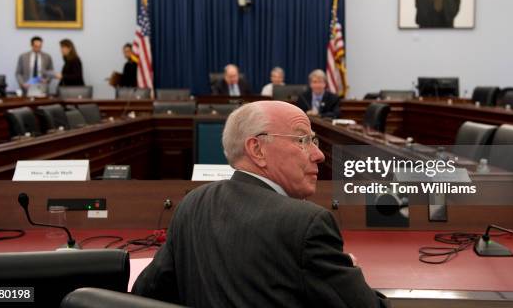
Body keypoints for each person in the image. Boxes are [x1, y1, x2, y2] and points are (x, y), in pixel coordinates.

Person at [132, 101, 388, 308]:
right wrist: (348, 272)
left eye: (314, 141)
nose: (318, 155)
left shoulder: (192, 203)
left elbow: (146, 292)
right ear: (257, 150)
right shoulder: (307, 224)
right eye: (302, 141)